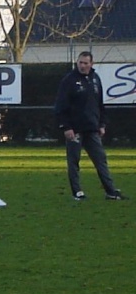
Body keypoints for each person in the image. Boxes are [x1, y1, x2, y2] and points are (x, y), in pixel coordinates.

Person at [55, 51, 126, 201]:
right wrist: (66, 127)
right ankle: (77, 192)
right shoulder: (69, 80)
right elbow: (61, 106)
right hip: (75, 130)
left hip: (92, 128)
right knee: (74, 162)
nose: (82, 65)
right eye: (80, 62)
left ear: (91, 64)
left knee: (101, 160)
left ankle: (110, 191)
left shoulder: (95, 79)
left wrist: (102, 124)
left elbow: (100, 104)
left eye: (85, 63)